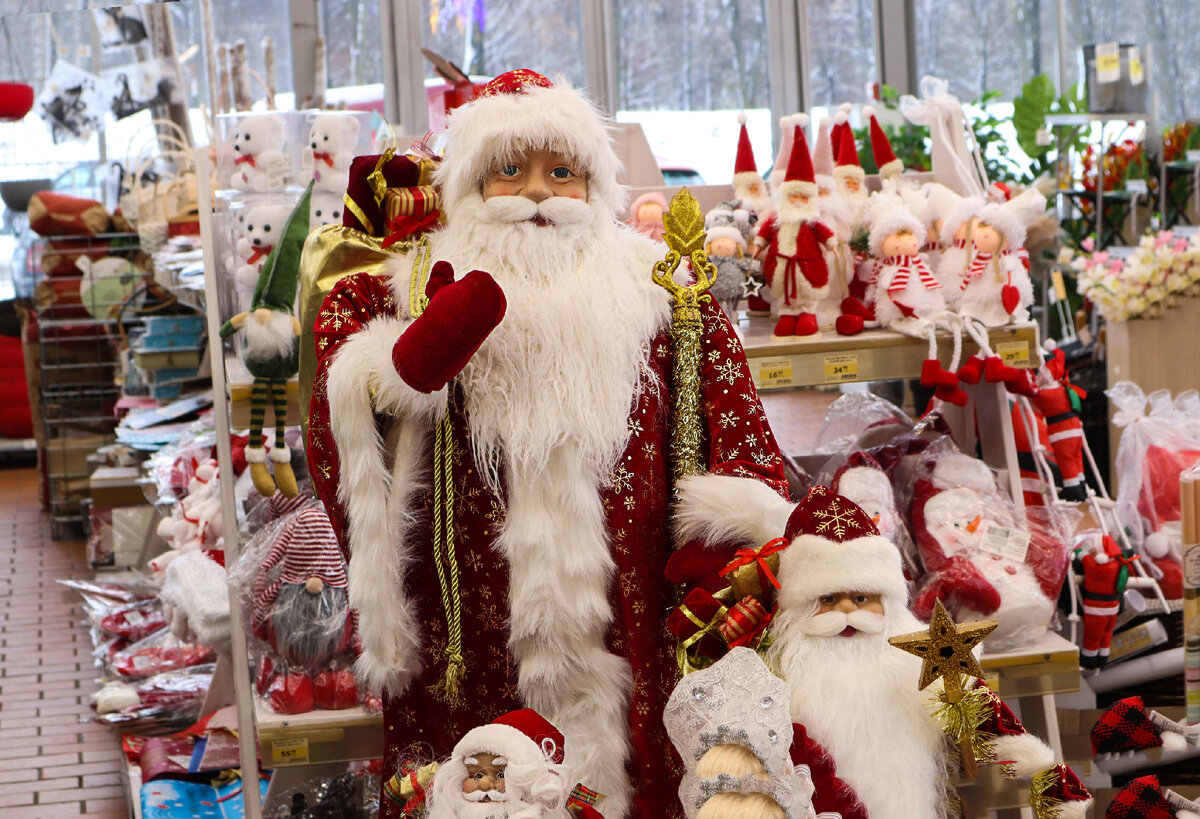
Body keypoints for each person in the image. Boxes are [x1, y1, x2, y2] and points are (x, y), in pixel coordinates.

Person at [306, 69, 789, 819]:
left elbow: (734, 436)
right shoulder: (402, 289)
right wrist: (400, 364)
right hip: (469, 623)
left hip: (630, 617)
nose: (538, 192)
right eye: (510, 170)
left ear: (593, 184)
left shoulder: (660, 292)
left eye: (561, 171)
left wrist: (728, 558)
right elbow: (345, 397)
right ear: (470, 185)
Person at [674, 484, 1092, 819]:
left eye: (860, 598)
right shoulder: (775, 661)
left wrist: (1047, 780)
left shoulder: (913, 655)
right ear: (800, 604)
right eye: (828, 599)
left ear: (887, 599)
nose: (845, 614)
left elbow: (987, 720)